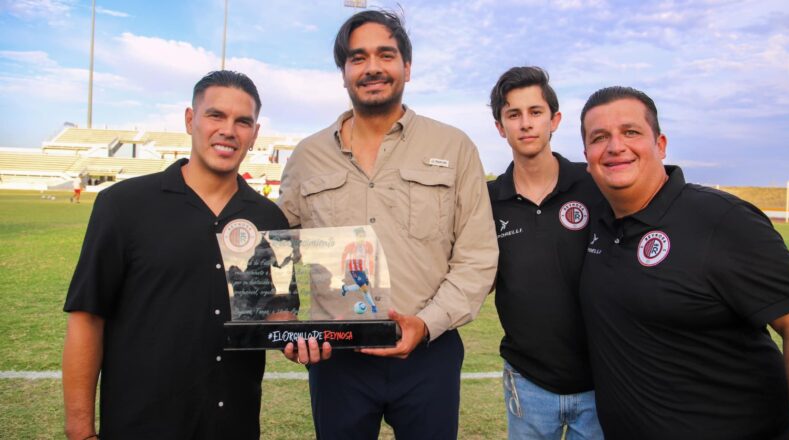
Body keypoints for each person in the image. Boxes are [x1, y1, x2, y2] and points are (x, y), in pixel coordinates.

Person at [61, 70, 327, 440]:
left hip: (232, 426)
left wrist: (301, 337)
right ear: (190, 120)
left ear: (255, 133)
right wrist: (80, 431)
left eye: (242, 121)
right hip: (139, 425)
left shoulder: (269, 219)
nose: (228, 130)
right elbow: (87, 319)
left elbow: (278, 311)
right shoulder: (122, 206)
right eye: (215, 115)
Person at [277, 10, 498, 439]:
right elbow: (276, 251)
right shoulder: (307, 156)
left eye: (386, 55)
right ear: (343, 72)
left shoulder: (453, 146)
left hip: (429, 353)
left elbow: (478, 257)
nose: (372, 67)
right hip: (336, 360)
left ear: (407, 67)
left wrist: (426, 323)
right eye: (358, 58)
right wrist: (282, 320)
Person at [578, 86, 789, 439]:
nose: (615, 146)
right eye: (599, 137)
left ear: (661, 144)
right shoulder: (600, 223)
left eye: (631, 132)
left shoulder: (720, 219)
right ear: (587, 154)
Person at [487, 67, 604, 439]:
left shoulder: (595, 185)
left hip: (602, 380)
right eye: (513, 114)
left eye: (535, 112)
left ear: (554, 120)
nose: (526, 124)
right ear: (499, 126)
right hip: (528, 381)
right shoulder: (487, 200)